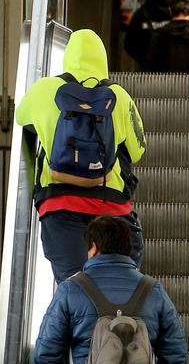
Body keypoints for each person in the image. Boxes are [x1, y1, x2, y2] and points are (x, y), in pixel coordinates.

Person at [15, 29, 147, 284]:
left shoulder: (45, 89)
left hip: (59, 205)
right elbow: (138, 150)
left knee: (74, 288)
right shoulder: (119, 96)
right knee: (122, 285)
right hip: (111, 207)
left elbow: (20, 118)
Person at [34, 215, 187, 363]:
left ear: (94, 247)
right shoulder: (154, 290)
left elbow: (46, 354)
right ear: (127, 248)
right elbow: (176, 355)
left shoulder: (70, 289)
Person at [125, 0, 176, 69]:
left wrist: (145, 59)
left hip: (149, 69)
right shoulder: (178, 11)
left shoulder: (142, 12)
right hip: (175, 69)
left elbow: (129, 43)